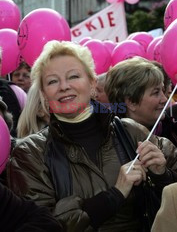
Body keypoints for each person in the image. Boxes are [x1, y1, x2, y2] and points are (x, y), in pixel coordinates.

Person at [7, 41, 177, 232]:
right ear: (43, 94)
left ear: (93, 84)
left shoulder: (133, 133)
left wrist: (162, 175)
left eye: (73, 76)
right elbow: (40, 223)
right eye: (53, 81)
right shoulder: (29, 153)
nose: (64, 86)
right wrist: (114, 195)